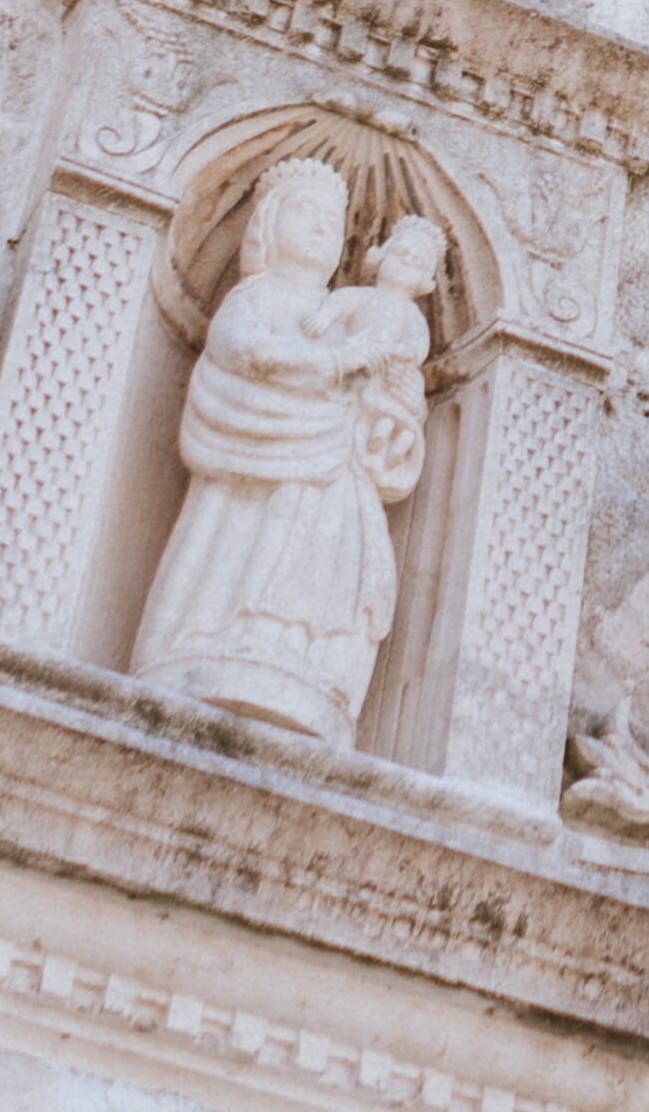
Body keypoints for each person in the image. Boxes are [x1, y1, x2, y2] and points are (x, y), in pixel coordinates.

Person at [129, 166, 444, 749]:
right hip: (257, 446)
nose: (322, 228)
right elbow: (241, 348)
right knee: (252, 543)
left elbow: (382, 389)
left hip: (336, 464)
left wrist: (392, 414)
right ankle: (225, 637)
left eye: (332, 222)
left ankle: (308, 663)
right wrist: (330, 364)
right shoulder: (259, 296)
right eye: (306, 213)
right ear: (268, 226)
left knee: (330, 558)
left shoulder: (345, 311)